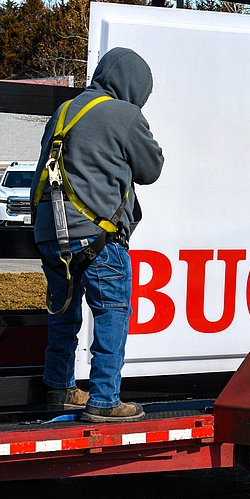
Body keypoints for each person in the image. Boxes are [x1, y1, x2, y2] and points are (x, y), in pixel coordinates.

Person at [31, 47, 164, 423]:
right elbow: (151, 169)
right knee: (112, 315)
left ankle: (60, 387)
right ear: (134, 85)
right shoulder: (125, 115)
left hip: (51, 235)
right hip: (98, 238)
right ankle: (105, 399)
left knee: (63, 313)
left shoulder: (64, 111)